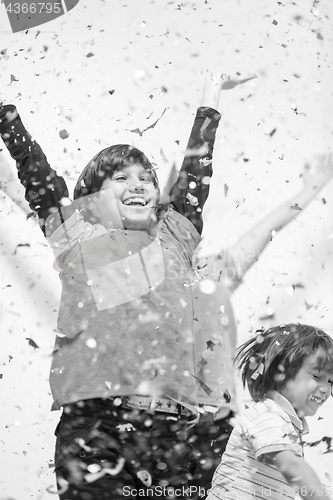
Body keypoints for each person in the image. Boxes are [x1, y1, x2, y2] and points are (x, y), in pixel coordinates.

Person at [0, 72, 255, 499]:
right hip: (98, 427)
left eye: (145, 178)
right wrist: (6, 116)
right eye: (120, 177)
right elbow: (37, 173)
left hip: (175, 430)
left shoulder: (175, 234)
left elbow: (194, 176)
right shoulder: (76, 231)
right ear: (91, 197)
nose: (138, 183)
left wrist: (211, 96)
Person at [186, 152, 333, 496]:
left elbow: (265, 230)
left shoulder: (206, 276)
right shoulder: (126, 284)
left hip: (212, 421)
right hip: (161, 421)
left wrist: (310, 190)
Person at [206, 323, 333, 500]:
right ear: (280, 375)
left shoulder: (288, 422)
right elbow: (292, 467)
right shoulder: (268, 414)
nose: (326, 389)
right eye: (317, 376)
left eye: (331, 382)